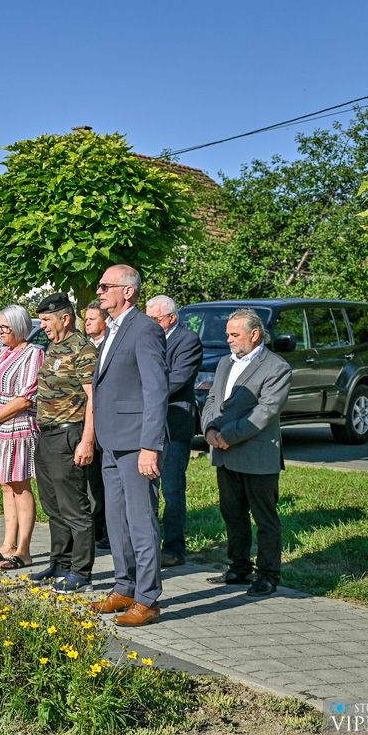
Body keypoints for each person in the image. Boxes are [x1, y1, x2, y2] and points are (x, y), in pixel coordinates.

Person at [87, 264, 169, 627]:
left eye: (106, 286)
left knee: (141, 522)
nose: (100, 291)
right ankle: (125, 586)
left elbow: (156, 390)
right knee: (116, 521)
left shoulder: (145, 329)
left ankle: (147, 599)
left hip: (137, 443)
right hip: (111, 442)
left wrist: (150, 445)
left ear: (128, 291)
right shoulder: (113, 330)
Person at [201, 309, 292, 597]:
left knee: (265, 519)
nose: (228, 340)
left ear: (254, 334)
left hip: (257, 456)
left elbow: (266, 411)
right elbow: (213, 399)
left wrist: (227, 436)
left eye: (234, 334)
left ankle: (268, 574)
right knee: (232, 514)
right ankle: (239, 567)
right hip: (225, 454)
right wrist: (209, 429)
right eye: (227, 334)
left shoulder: (276, 367)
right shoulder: (225, 363)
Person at [30, 293, 98, 593]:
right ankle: (60, 563)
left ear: (65, 318)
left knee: (74, 508)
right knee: (53, 505)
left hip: (69, 433)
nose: (43, 326)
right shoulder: (53, 347)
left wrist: (87, 440)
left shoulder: (83, 349)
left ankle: (81, 573)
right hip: (46, 434)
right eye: (42, 320)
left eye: (47, 320)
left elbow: (94, 398)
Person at [0, 305, 44, 571]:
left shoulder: (33, 353)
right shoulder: (1, 352)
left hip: (16, 428)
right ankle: (7, 544)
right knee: (5, 484)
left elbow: (26, 397)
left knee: (20, 485)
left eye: (5, 327)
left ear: (20, 327)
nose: (0, 332)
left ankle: (23, 550)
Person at [145, 295, 204, 568]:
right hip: (148, 423)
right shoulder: (147, 339)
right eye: (148, 319)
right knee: (147, 489)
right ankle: (147, 545)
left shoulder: (187, 340)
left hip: (173, 423)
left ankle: (174, 548)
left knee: (172, 489)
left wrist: (143, 392)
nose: (151, 324)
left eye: (155, 319)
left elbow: (178, 378)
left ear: (171, 318)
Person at [83, 300, 109, 551]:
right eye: (86, 318)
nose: (87, 323)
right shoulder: (85, 347)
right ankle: (96, 527)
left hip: (109, 422)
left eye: (92, 318)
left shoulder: (110, 345)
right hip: (87, 423)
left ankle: (110, 531)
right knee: (93, 481)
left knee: (108, 480)